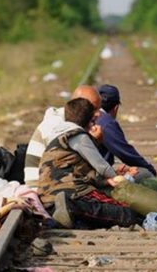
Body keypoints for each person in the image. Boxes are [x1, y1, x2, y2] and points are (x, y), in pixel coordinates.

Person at [38, 97, 139, 229]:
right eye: (94, 118)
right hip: (71, 193)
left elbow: (82, 171)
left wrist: (106, 180)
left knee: (93, 218)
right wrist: (118, 178)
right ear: (89, 119)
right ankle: (71, 207)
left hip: (48, 197)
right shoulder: (78, 136)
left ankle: (68, 215)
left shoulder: (57, 136)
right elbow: (102, 167)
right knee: (127, 214)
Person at [24, 85, 102, 184]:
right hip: (40, 186)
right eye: (94, 108)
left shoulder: (73, 121)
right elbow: (71, 160)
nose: (98, 114)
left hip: (54, 180)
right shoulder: (56, 125)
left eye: (99, 108)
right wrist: (93, 142)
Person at [96, 84, 157, 182]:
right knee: (144, 173)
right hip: (96, 179)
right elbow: (126, 153)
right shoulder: (107, 123)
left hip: (89, 173)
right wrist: (150, 169)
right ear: (116, 107)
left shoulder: (90, 115)